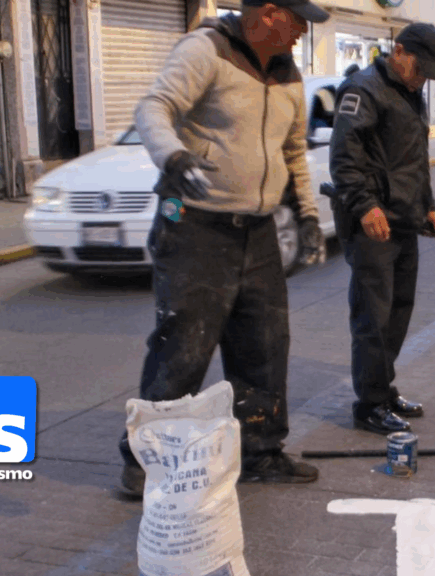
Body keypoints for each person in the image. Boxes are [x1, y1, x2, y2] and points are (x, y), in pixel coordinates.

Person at [118, 0, 330, 497]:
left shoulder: (287, 72)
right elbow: (154, 107)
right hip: (194, 227)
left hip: (256, 231)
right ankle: (143, 463)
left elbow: (293, 151)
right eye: (299, 20)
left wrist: (308, 217)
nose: (303, 31)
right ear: (271, 12)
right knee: (184, 348)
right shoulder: (206, 49)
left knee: (265, 347)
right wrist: (172, 155)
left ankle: (259, 451)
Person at [328, 23, 435, 435]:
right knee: (373, 316)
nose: (423, 78)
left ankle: (383, 388)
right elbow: (345, 157)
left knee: (397, 312)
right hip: (372, 224)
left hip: (405, 220)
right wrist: (364, 206)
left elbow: (416, 158)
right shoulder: (364, 90)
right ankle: (369, 405)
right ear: (398, 51)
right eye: (420, 67)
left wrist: (427, 206)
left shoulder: (412, 94)